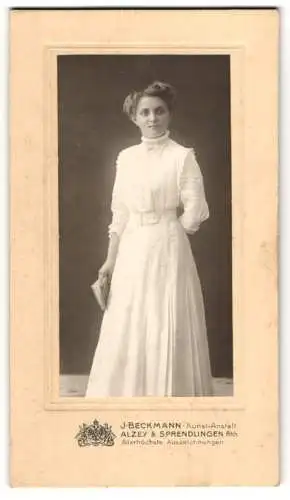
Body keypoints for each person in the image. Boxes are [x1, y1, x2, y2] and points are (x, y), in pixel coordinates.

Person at [85, 81, 213, 397]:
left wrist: (171, 229)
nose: (152, 118)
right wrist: (110, 259)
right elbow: (120, 212)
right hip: (131, 247)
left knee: (163, 315)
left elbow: (194, 209)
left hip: (168, 247)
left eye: (159, 111)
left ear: (169, 115)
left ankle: (166, 393)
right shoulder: (125, 157)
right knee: (130, 316)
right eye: (145, 112)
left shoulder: (182, 156)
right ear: (135, 117)